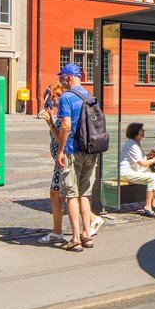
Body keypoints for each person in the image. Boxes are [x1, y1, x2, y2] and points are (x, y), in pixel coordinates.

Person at [53, 63, 103, 251]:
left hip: (73, 151)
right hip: (91, 150)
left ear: (68, 78)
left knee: (71, 194)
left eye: (62, 78)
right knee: (84, 193)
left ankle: (74, 238)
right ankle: (86, 235)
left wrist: (60, 150)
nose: (61, 81)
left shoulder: (66, 97)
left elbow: (65, 125)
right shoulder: (91, 97)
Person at [38, 81, 68, 246]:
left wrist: (50, 122)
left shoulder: (64, 115)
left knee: (60, 194)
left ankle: (58, 231)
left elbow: (59, 137)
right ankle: (57, 230)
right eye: (53, 95)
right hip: (60, 160)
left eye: (57, 95)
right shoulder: (60, 114)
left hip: (62, 160)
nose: (54, 99)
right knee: (62, 194)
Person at [119, 122, 155, 217]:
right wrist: (154, 159)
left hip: (134, 170)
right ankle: (148, 207)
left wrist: (149, 156)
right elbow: (142, 163)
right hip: (126, 172)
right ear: (136, 132)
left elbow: (141, 160)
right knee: (153, 177)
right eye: (141, 130)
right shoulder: (132, 145)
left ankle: (154, 204)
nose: (143, 131)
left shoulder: (136, 144)